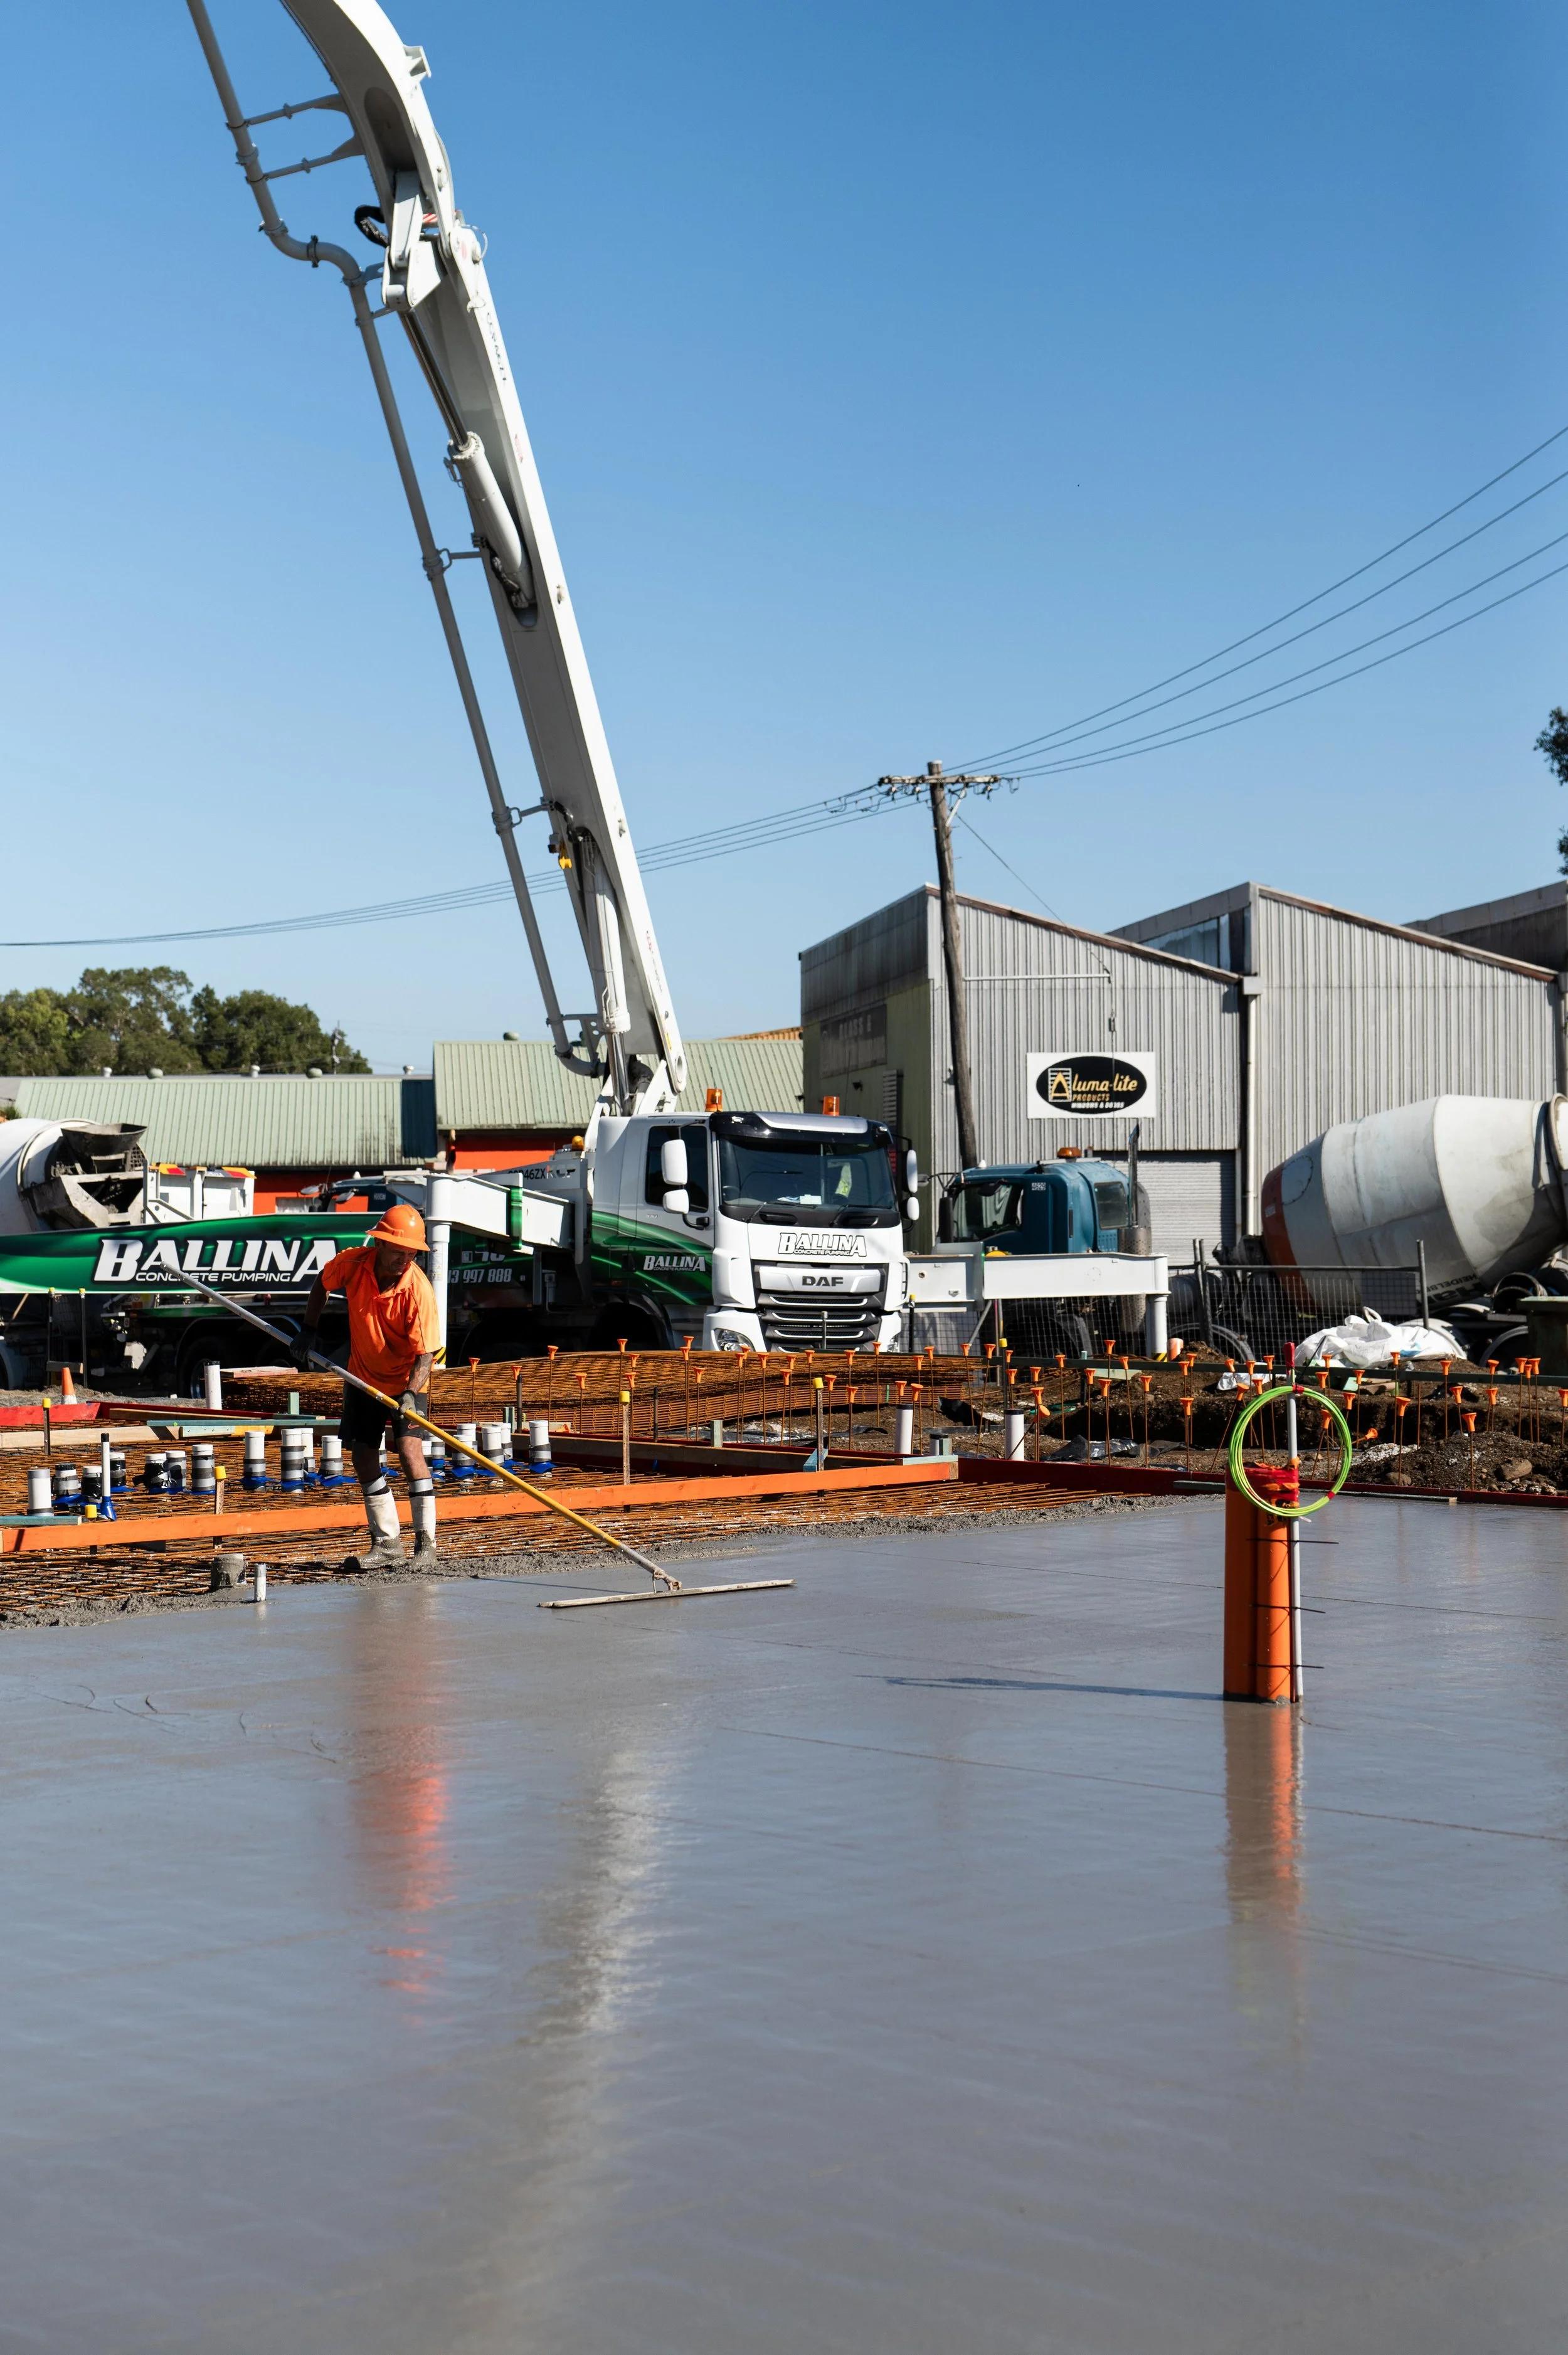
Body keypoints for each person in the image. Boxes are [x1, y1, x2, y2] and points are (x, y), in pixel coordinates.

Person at [296, 1202, 441, 1571]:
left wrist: (409, 1395)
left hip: (409, 1380)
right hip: (362, 1376)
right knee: (362, 1455)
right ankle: (388, 1543)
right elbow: (321, 1283)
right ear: (380, 1244)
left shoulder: (418, 1291)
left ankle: (426, 1547)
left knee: (409, 1453)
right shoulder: (353, 1264)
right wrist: (308, 1331)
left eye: (411, 1253)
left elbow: (426, 1355)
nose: (404, 1260)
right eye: (399, 1252)